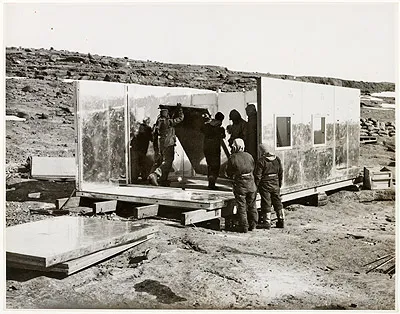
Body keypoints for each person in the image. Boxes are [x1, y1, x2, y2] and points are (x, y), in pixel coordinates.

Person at [226, 138, 258, 233]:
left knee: (242, 206)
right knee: (252, 205)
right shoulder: (249, 156)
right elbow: (253, 167)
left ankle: (244, 227)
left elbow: (229, 172)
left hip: (240, 184)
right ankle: (253, 225)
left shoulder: (233, 157)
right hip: (251, 183)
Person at [148, 103, 184, 186]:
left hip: (160, 143)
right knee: (168, 161)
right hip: (168, 144)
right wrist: (180, 109)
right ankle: (156, 174)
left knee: (159, 161)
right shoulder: (168, 121)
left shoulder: (159, 121)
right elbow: (181, 118)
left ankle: (156, 177)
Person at [254, 143, 285, 229]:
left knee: (266, 202)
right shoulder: (277, 159)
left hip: (265, 185)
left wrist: (255, 187)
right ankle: (281, 219)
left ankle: (267, 222)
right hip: (275, 184)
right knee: (277, 201)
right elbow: (281, 172)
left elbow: (258, 176)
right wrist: (280, 183)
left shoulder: (261, 161)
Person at [200, 112, 226, 189]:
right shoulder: (220, 128)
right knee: (215, 166)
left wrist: (208, 121)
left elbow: (202, 129)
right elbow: (223, 136)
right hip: (215, 149)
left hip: (207, 148)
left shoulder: (207, 125)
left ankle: (210, 183)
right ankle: (212, 184)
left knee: (210, 165)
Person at [130, 117, 153, 182]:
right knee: (143, 163)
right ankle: (144, 176)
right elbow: (151, 138)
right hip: (142, 148)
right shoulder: (148, 129)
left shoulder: (138, 127)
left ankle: (134, 177)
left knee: (136, 163)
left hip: (136, 148)